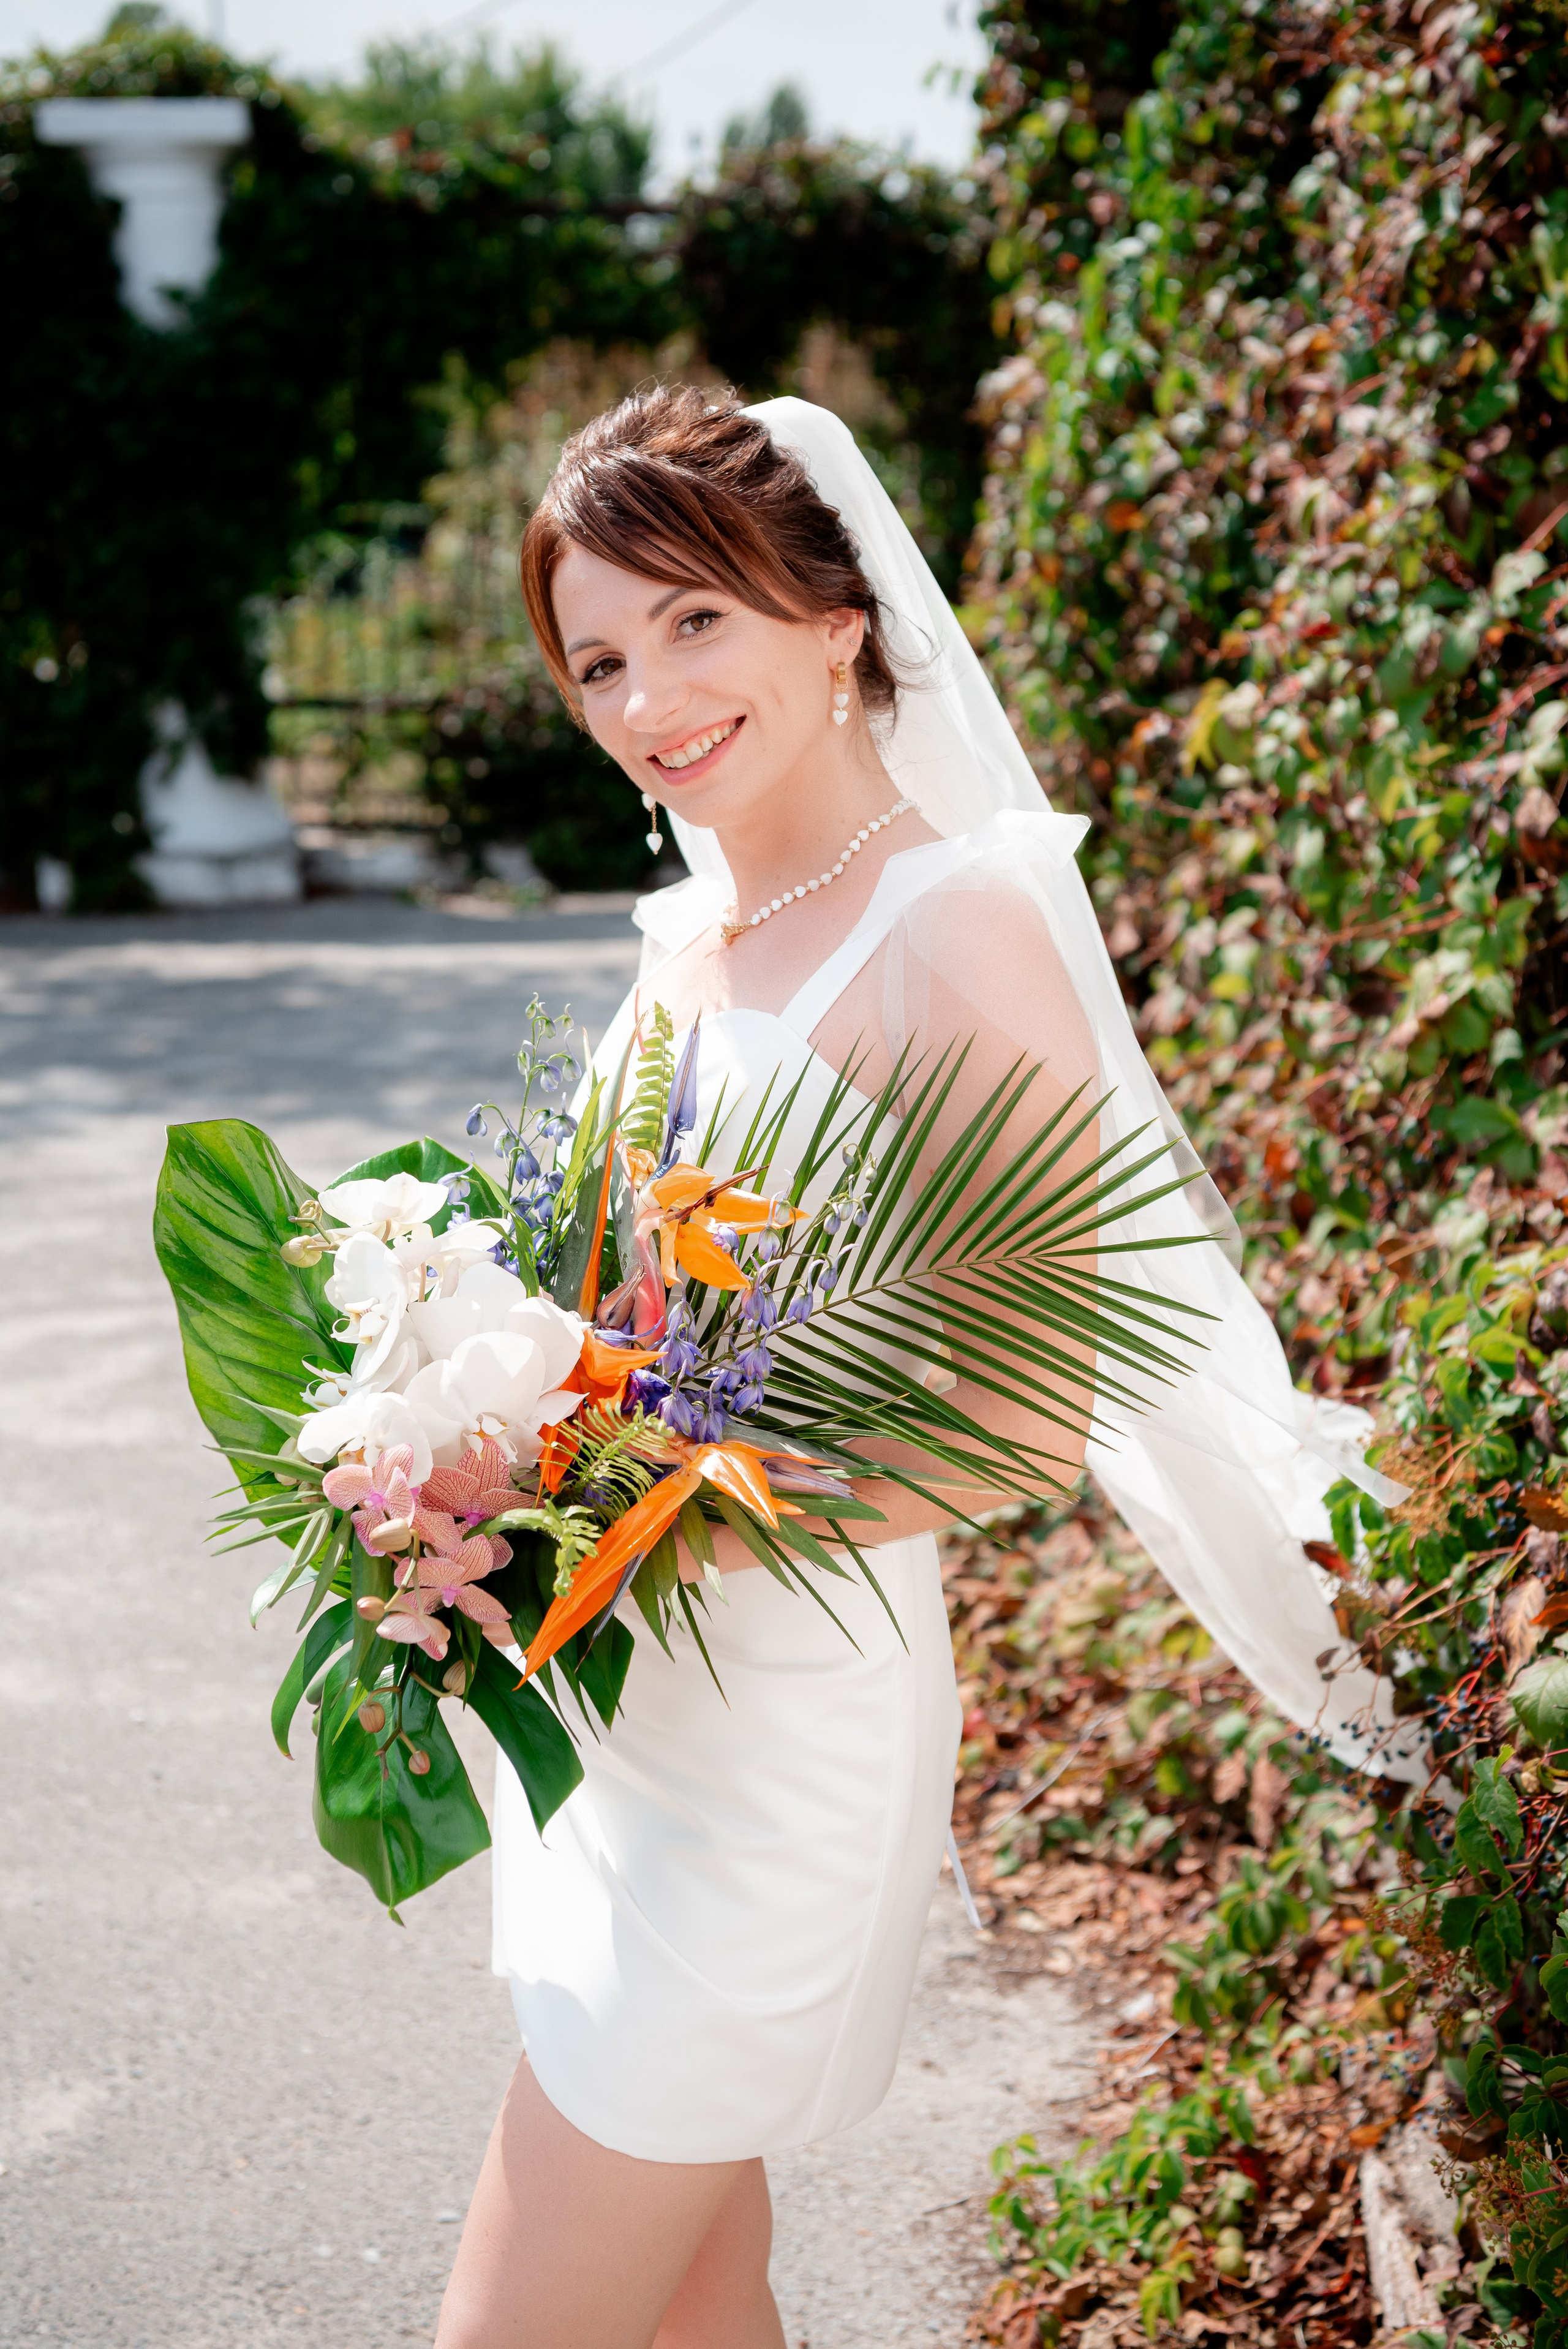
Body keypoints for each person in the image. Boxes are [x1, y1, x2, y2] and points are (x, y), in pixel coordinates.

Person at [435, 391, 1419, 2349]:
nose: (649, 698)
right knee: (700, 2299)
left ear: (835, 617)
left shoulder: (951, 923)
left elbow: (1030, 1403)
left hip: (784, 1716)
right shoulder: (684, 937)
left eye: (695, 623)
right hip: (630, 1726)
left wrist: (677, 1525)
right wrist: (467, 1457)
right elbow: (618, 1322)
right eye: (603, 659)